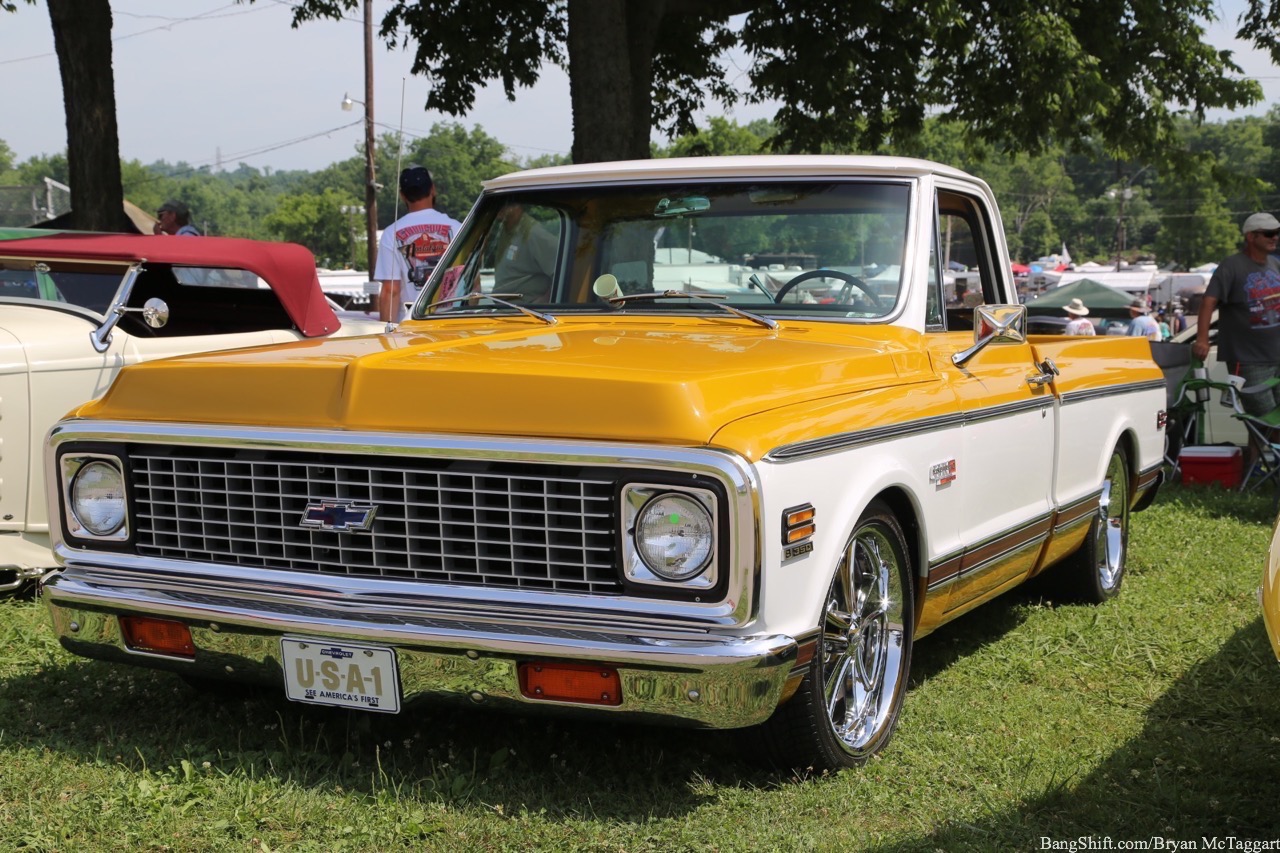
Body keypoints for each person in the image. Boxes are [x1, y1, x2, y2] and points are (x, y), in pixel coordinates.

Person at [1193, 211, 1280, 416]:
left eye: (1277, 233)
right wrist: (1202, 339)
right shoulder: (1231, 266)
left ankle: (1261, 441)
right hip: (1248, 360)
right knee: (1264, 419)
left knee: (1275, 419)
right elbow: (1208, 301)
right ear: (1251, 236)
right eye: (1269, 233)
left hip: (1276, 356)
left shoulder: (1275, 264)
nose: (1275, 238)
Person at [375, 165, 463, 323]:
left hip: (411, 326)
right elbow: (473, 282)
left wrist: (387, 331)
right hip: (452, 323)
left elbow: (391, 290)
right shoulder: (457, 228)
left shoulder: (390, 234)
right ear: (433, 189)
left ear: (402, 195)